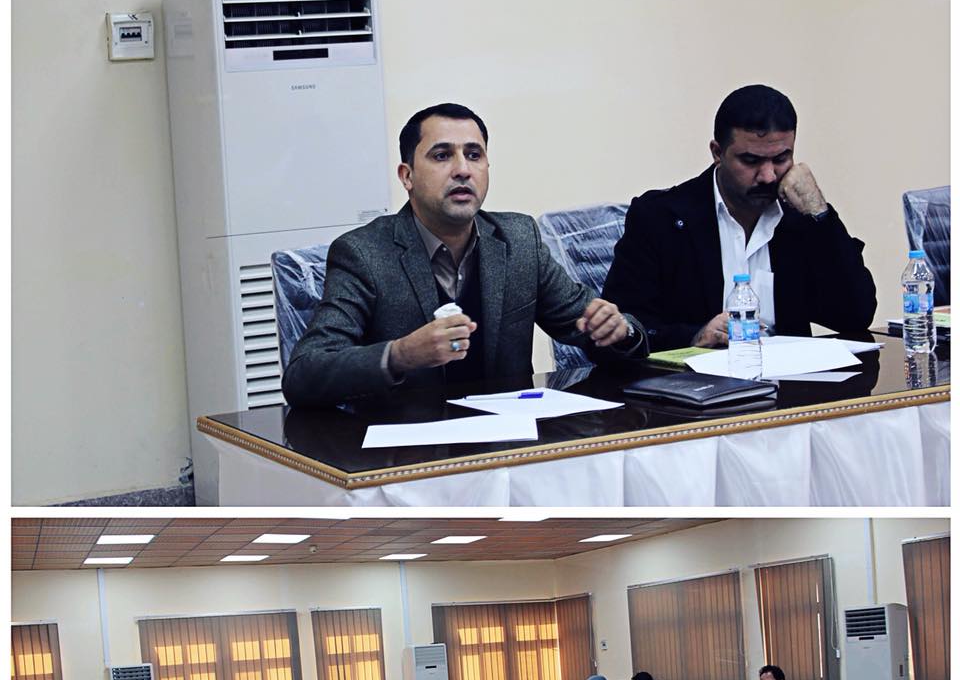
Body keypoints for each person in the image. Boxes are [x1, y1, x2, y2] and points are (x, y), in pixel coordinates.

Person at [282, 102, 645, 406]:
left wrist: (619, 331)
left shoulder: (519, 240)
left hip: (509, 442)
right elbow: (304, 374)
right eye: (442, 156)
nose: (462, 170)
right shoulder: (363, 253)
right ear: (407, 176)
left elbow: (596, 330)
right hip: (406, 451)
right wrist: (400, 355)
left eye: (474, 155)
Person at [603, 84, 876, 353]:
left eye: (781, 159)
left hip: (789, 378)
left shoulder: (801, 218)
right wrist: (694, 336)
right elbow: (624, 329)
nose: (768, 176)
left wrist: (820, 214)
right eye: (751, 161)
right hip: (697, 378)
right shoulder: (660, 218)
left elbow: (855, 315)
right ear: (717, 153)